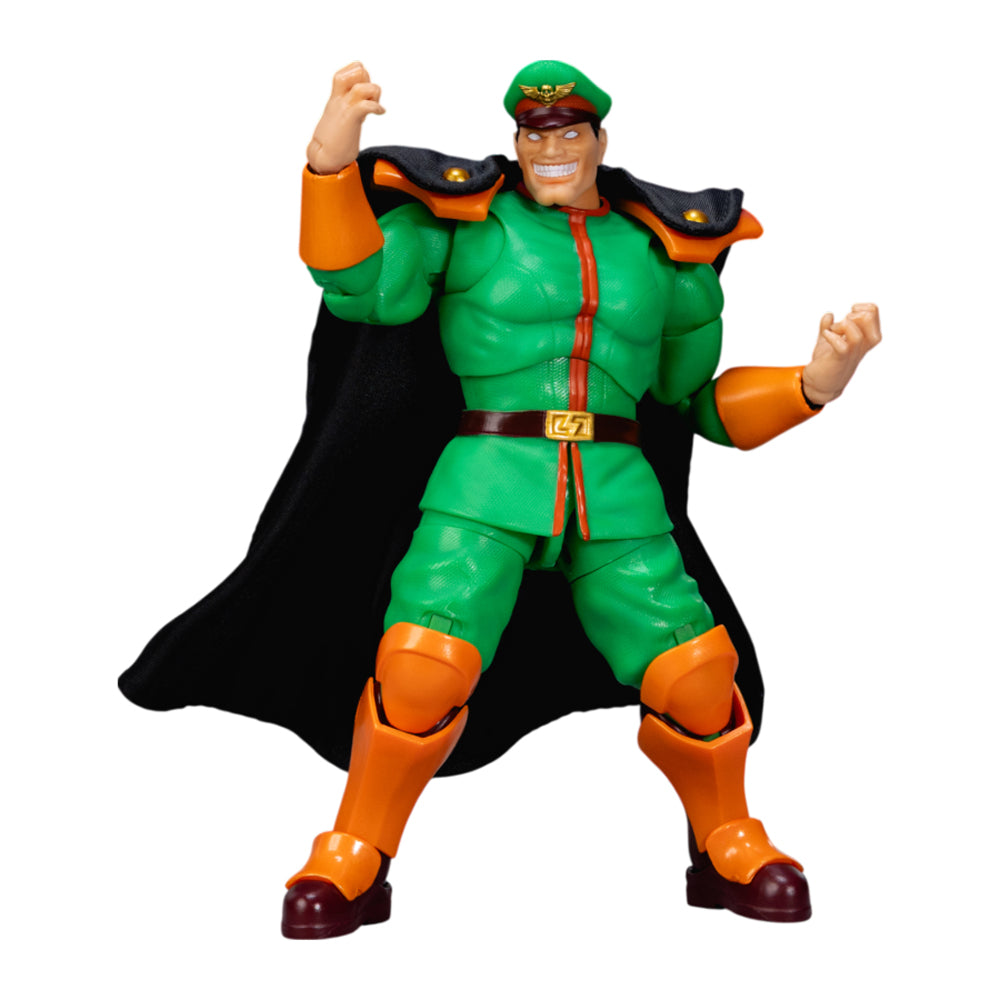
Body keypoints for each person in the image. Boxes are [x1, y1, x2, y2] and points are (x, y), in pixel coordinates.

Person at [275, 59, 881, 938]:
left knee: (698, 675)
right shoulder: (465, 224)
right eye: (533, 131)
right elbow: (358, 281)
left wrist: (813, 384)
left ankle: (726, 839)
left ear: (599, 139)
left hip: (616, 492)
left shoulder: (664, 255)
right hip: (488, 481)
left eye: (567, 131)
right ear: (517, 140)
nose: (549, 146)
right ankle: (356, 849)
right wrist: (329, 166)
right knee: (420, 666)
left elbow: (697, 404)